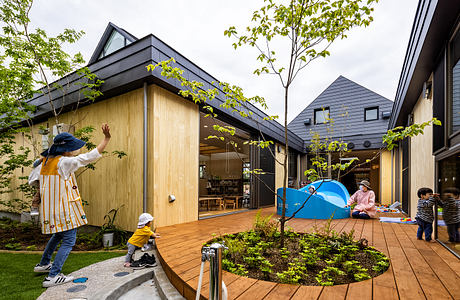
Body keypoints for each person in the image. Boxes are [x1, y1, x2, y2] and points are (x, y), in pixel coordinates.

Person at [29, 124, 111, 288]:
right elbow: (89, 156)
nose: (74, 151)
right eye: (72, 148)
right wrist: (106, 138)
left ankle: (44, 264)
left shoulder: (44, 162)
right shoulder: (64, 162)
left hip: (51, 209)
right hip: (64, 210)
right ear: (66, 150)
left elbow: (32, 179)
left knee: (58, 236)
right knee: (69, 239)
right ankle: (53, 275)